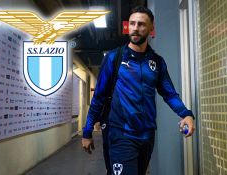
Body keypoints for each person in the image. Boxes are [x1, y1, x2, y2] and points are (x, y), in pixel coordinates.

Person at [82, 6, 195, 175]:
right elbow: (99, 97)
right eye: (132, 23)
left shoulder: (157, 62)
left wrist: (186, 113)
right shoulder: (114, 58)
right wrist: (87, 131)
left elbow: (169, 94)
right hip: (120, 133)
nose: (135, 28)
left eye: (141, 24)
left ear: (151, 28)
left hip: (147, 135)